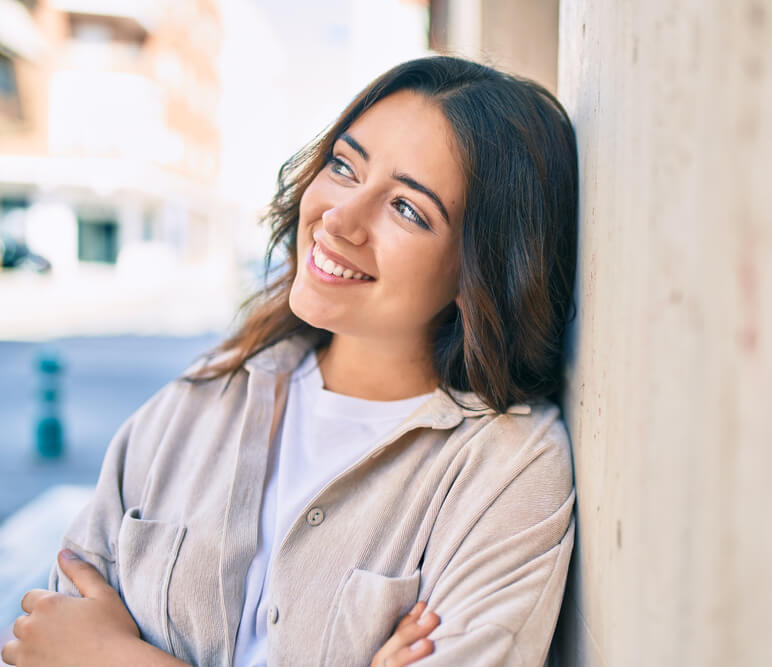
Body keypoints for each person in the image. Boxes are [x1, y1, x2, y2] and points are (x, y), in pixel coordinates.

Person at [1, 55, 578, 667]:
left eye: (407, 209)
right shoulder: (198, 401)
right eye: (344, 167)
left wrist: (118, 658)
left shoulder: (507, 470)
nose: (340, 218)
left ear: (482, 270)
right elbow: (48, 640)